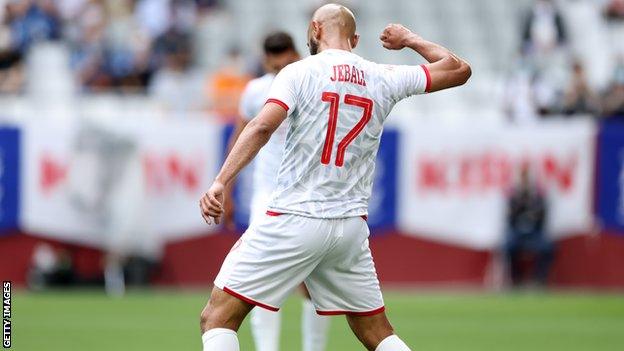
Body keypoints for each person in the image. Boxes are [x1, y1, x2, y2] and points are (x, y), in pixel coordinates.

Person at [198, 4, 471, 351]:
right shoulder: (383, 75)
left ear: (314, 29)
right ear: (355, 39)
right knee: (377, 332)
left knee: (217, 317)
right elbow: (459, 70)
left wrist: (221, 181)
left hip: (295, 215)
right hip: (349, 228)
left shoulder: (297, 73)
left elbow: (263, 125)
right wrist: (409, 38)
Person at [224, 31, 330, 351]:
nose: (280, 67)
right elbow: (241, 137)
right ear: (265, 60)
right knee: (260, 282)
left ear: (296, 54)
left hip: (308, 194)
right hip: (268, 195)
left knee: (314, 285)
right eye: (275, 63)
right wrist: (226, 187)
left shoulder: (312, 82)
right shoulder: (255, 91)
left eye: (286, 61)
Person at [504, 166, 554, 287]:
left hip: (535, 232)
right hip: (517, 231)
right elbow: (510, 217)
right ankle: (515, 280)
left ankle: (539, 279)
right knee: (508, 246)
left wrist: (529, 213)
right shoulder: (514, 195)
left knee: (547, 248)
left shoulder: (538, 195)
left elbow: (541, 216)